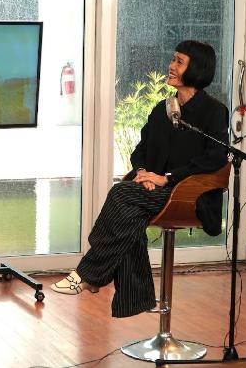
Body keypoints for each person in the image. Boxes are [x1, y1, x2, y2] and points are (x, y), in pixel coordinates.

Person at [51, 40, 229, 318]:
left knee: (121, 195)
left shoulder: (214, 111)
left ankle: (91, 274)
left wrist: (166, 178)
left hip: (190, 195)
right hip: (154, 190)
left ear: (197, 69)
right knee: (129, 213)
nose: (171, 66)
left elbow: (215, 158)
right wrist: (144, 173)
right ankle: (128, 294)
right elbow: (140, 149)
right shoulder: (163, 109)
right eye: (173, 59)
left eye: (179, 62)